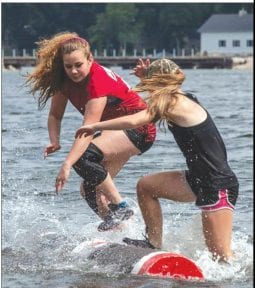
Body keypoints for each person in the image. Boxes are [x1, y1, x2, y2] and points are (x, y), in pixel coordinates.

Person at [75, 58, 239, 262]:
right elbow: (161, 93)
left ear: (158, 84)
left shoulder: (172, 103)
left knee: (221, 256)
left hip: (217, 184)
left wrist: (95, 126)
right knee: (146, 186)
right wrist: (147, 76)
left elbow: (135, 120)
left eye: (151, 85)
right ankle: (153, 242)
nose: (148, 91)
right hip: (197, 179)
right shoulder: (182, 97)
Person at [26, 32, 156, 231]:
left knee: (82, 158)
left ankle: (121, 207)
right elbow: (55, 116)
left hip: (138, 127)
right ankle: (119, 232)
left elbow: (87, 130)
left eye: (78, 65)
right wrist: (55, 140)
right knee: (89, 189)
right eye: (68, 66)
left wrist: (67, 164)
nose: (74, 71)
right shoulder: (63, 81)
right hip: (111, 131)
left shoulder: (98, 81)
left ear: (90, 59)